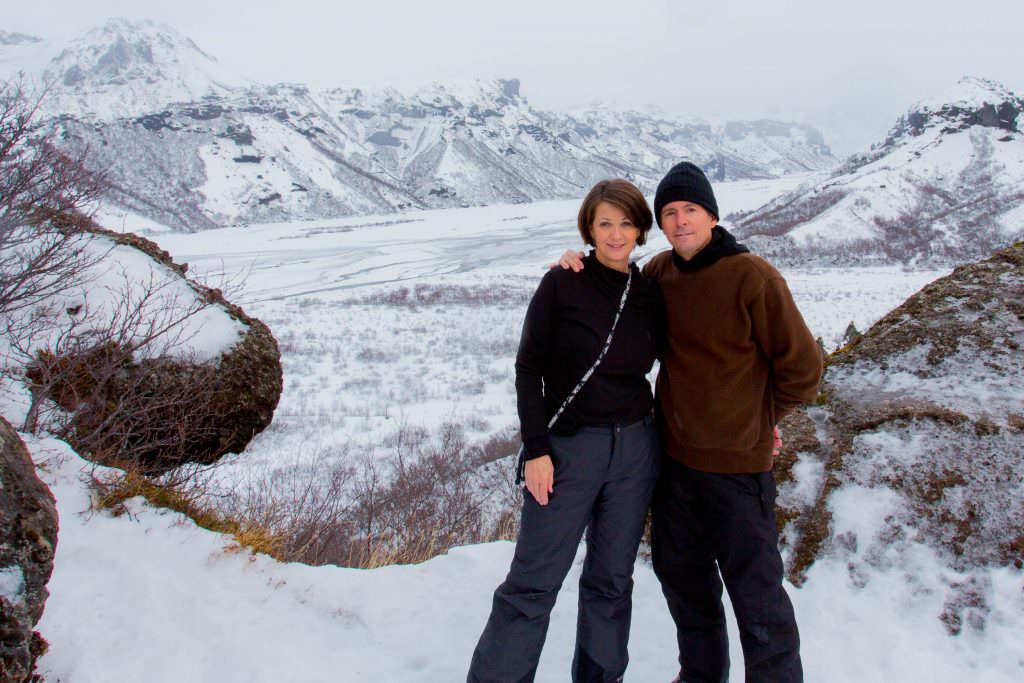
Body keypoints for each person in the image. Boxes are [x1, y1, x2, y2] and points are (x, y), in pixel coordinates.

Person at [558, 161, 822, 683]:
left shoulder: (754, 277)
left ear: (712, 216)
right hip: (675, 464)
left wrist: (760, 418)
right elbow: (612, 286)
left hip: (736, 471)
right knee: (685, 580)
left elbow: (803, 370)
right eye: (670, 212)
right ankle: (701, 675)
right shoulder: (660, 273)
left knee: (756, 593)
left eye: (691, 210)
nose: (680, 221)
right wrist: (578, 263)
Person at [468, 179, 663, 683]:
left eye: (625, 222)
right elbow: (527, 366)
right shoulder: (562, 282)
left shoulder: (649, 293)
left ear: (641, 228)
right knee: (532, 584)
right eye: (604, 223)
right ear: (588, 228)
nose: (616, 234)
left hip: (636, 450)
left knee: (612, 582)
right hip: (569, 451)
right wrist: (536, 450)